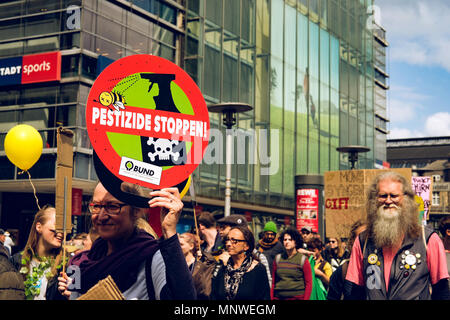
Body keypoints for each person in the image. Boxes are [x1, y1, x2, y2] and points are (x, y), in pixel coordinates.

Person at [57, 182, 196, 300]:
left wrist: (170, 232)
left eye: (112, 207)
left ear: (136, 211)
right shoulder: (87, 261)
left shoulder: (152, 257)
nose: (101, 216)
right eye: (97, 206)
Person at [345, 171, 450, 300]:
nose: (388, 201)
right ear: (374, 200)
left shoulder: (428, 239)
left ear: (406, 199)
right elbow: (355, 291)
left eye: (394, 196)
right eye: (383, 196)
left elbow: (441, 290)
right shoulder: (363, 240)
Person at [11, 205, 64, 300]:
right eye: (57, 225)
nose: (62, 232)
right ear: (39, 227)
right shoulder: (16, 260)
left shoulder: (68, 265)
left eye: (63, 227)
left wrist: (71, 294)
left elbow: (78, 294)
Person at [211, 225, 270, 300]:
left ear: (246, 246)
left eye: (234, 241)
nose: (228, 244)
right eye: (227, 240)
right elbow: (214, 295)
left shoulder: (257, 269)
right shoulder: (223, 268)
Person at [216, 214, 272, 288]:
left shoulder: (259, 259)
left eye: (224, 228)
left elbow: (266, 286)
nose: (220, 231)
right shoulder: (222, 256)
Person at [327, 220, 366, 300]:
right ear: (352, 242)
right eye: (361, 237)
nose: (365, 242)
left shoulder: (383, 270)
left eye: (368, 238)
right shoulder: (342, 271)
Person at [271, 228, 312, 300]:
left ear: (295, 242)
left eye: (290, 240)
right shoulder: (278, 258)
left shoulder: (302, 259)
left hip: (297, 297)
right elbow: (273, 281)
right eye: (285, 239)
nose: (287, 242)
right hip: (279, 297)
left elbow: (309, 283)